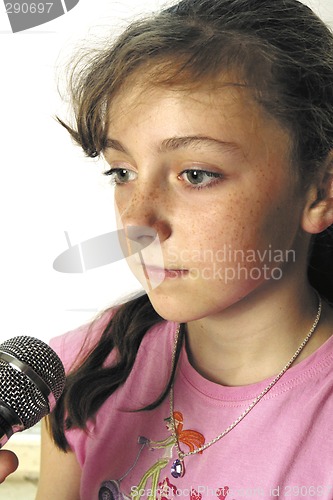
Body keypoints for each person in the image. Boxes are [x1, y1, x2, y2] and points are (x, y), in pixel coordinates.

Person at [32, 0, 333, 498]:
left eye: (195, 174)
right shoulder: (83, 370)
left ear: (320, 190)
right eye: (122, 172)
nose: (137, 221)